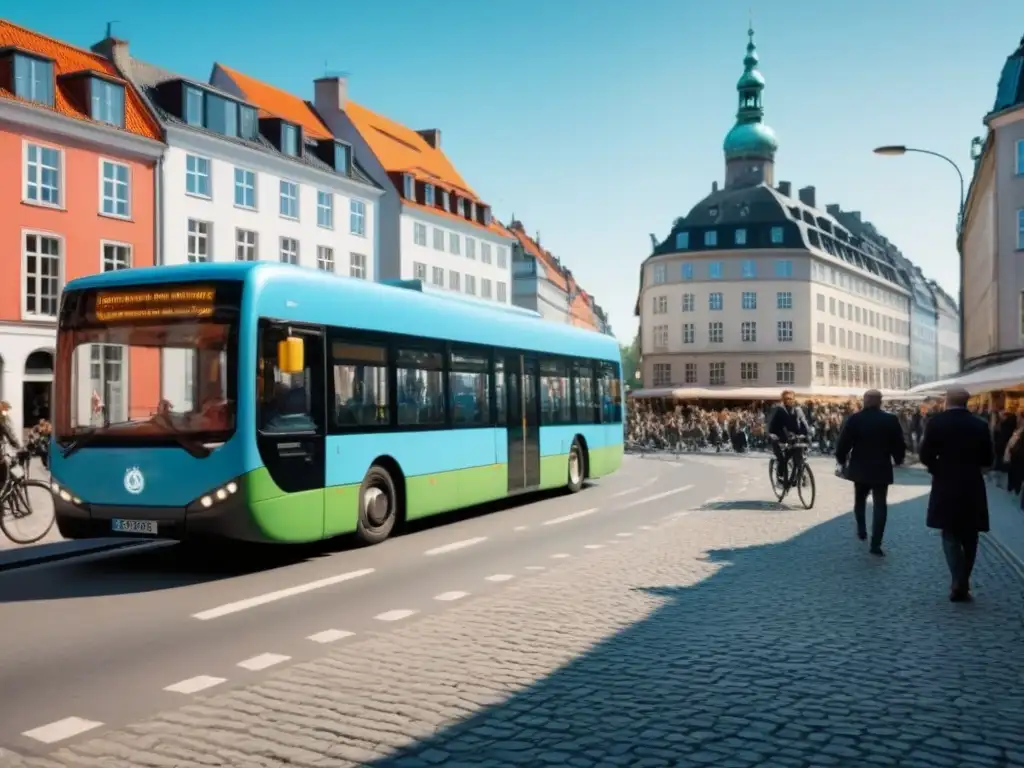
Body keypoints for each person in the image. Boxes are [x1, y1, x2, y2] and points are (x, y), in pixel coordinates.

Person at [918, 387, 994, 602]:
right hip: (972, 483)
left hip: (945, 482)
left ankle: (958, 580)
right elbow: (988, 459)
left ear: (946, 401)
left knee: (949, 533)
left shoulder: (936, 423)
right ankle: (963, 581)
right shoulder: (980, 425)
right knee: (970, 535)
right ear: (967, 402)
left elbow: (925, 455)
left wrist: (937, 468)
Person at [834, 389, 906, 556]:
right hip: (881, 468)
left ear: (865, 401)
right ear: (880, 401)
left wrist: (841, 459)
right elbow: (898, 443)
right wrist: (899, 459)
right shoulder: (890, 419)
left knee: (859, 500)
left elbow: (843, 442)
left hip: (860, 467)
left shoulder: (856, 419)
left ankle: (861, 529)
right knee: (880, 506)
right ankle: (876, 544)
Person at [768, 389, 810, 484]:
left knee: (799, 455)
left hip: (794, 439)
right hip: (779, 438)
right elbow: (771, 425)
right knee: (782, 459)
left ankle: (799, 475)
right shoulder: (779, 410)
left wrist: (808, 433)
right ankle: (780, 477)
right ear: (783, 399)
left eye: (791, 398)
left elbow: (804, 423)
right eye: (787, 398)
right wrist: (772, 435)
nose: (789, 400)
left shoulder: (798, 410)